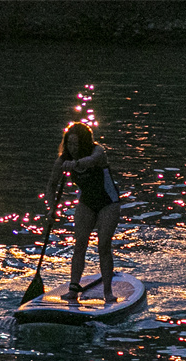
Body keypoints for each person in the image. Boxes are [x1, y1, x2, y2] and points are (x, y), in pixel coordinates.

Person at [45, 122, 121, 302]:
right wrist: (51, 209)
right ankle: (73, 288)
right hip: (87, 203)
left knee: (103, 245)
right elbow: (51, 185)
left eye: (76, 144)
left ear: (84, 143)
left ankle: (108, 292)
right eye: (69, 144)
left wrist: (75, 164)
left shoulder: (98, 151)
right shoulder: (63, 160)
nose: (72, 148)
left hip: (108, 203)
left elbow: (91, 161)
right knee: (80, 244)